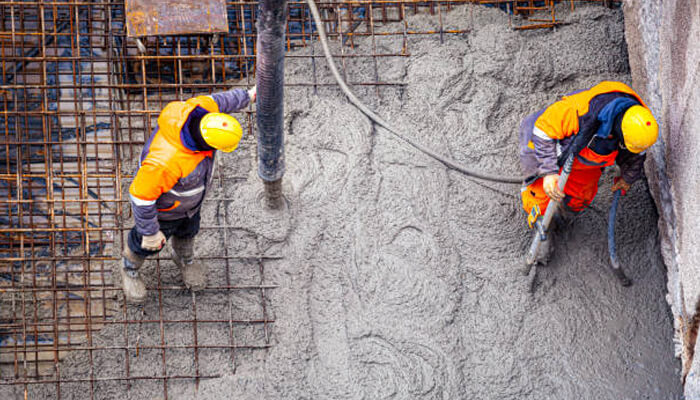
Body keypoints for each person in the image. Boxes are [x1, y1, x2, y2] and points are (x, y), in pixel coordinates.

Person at [119, 86, 257, 303]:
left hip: (190, 206)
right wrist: (150, 232)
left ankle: (185, 258)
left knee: (188, 233)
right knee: (142, 245)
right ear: (207, 144)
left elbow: (222, 100)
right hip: (164, 212)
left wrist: (247, 96)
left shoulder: (202, 110)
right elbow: (140, 196)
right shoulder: (166, 162)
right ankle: (129, 269)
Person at [518, 81, 658, 264]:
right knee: (543, 193)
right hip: (546, 146)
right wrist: (548, 172)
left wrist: (627, 178)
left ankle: (562, 215)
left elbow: (636, 155)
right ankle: (542, 225)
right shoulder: (581, 111)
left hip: (585, 156)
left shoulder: (639, 127)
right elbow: (543, 131)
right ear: (619, 131)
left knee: (580, 197)